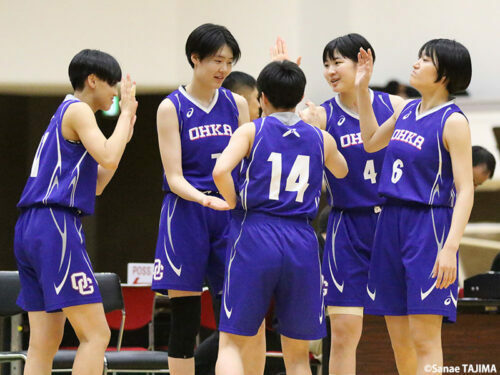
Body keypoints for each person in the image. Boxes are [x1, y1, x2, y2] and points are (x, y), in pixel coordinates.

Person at [213, 60, 348, 375]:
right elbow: (342, 171)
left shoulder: (251, 130)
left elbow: (220, 170)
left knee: (232, 342)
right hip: (301, 240)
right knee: (298, 355)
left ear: (261, 98)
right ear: (300, 98)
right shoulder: (319, 138)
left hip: (255, 233)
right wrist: (320, 132)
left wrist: (234, 201)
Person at [14, 49, 137, 375]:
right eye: (112, 84)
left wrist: (123, 134)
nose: (114, 93)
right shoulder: (80, 110)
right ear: (92, 80)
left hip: (31, 225)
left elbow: (97, 182)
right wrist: (125, 115)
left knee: (45, 340)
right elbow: (108, 156)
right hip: (55, 224)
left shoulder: (64, 114)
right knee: (97, 333)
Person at [356, 39, 473, 374]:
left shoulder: (453, 122)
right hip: (390, 223)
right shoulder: (406, 110)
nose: (416, 63)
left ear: (445, 75)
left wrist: (450, 247)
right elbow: (370, 141)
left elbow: (466, 190)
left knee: (424, 339)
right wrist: (363, 89)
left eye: (426, 60)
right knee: (399, 340)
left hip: (429, 227)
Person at [290, 34, 405, 375]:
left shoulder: (395, 107)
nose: (330, 71)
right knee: (342, 333)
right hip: (347, 228)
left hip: (391, 225)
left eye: (337, 62)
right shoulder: (322, 115)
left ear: (362, 63)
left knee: (403, 333)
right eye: (325, 64)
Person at [150, 23, 249, 375]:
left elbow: (245, 165)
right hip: (186, 213)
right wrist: (205, 199)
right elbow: (174, 176)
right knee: (185, 321)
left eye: (229, 62)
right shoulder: (170, 107)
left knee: (234, 315)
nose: (223, 69)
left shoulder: (237, 104)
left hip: (228, 213)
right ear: (195, 58)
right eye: (217, 61)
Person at [195, 70, 266, 375]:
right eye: (255, 101)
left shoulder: (251, 133)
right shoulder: (244, 136)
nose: (260, 108)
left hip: (236, 226)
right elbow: (220, 173)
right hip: (224, 222)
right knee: (237, 330)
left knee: (243, 327)